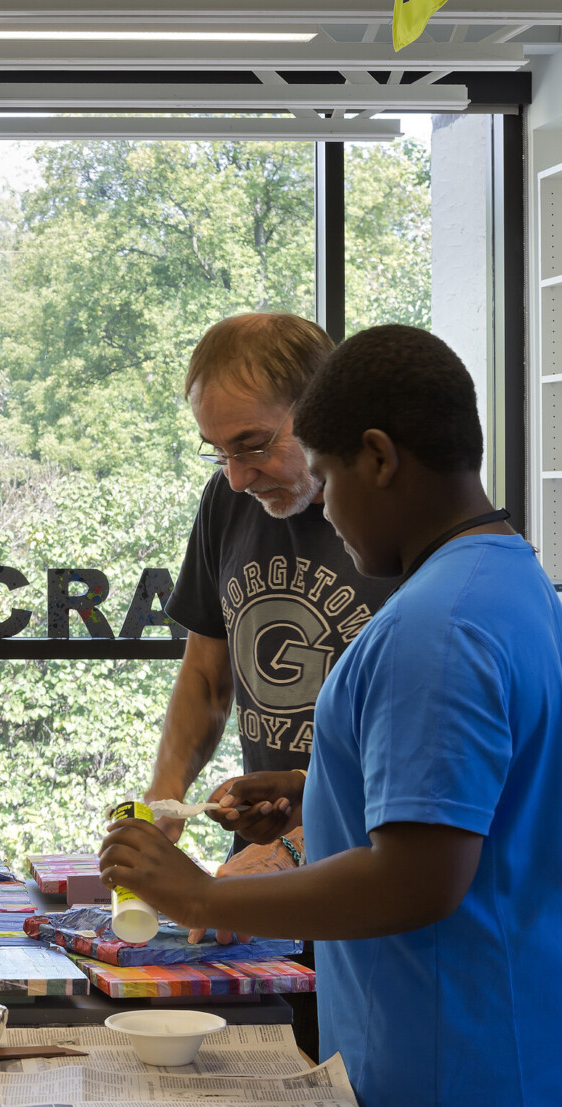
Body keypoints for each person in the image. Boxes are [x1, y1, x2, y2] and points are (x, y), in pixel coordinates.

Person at [102, 325, 562, 1107]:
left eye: (330, 476)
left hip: (450, 1048)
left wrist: (197, 896)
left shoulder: (435, 627)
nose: (326, 508)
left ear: (377, 458)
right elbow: (486, 798)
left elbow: (415, 881)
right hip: (519, 1019)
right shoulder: (511, 578)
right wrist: (323, 791)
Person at [149, 313, 396, 1055]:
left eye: (253, 446)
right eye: (219, 453)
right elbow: (205, 676)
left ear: (323, 414)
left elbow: (412, 773)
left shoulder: (394, 528)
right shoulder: (228, 501)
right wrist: (161, 812)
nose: (236, 476)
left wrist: (299, 844)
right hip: (272, 847)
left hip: (359, 868)